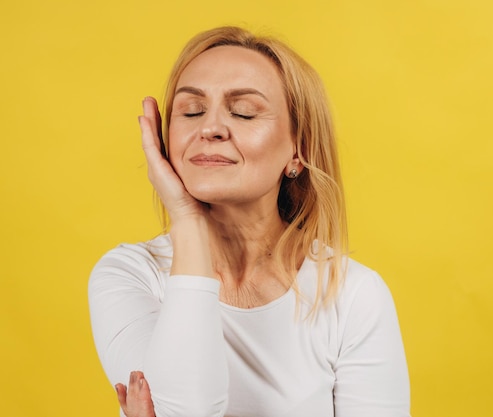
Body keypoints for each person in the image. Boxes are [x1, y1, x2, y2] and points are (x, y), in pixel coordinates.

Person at [88, 26, 410, 417]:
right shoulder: (129, 275)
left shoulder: (352, 295)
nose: (210, 128)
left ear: (298, 150)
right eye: (191, 111)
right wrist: (188, 221)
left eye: (243, 112)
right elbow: (186, 411)